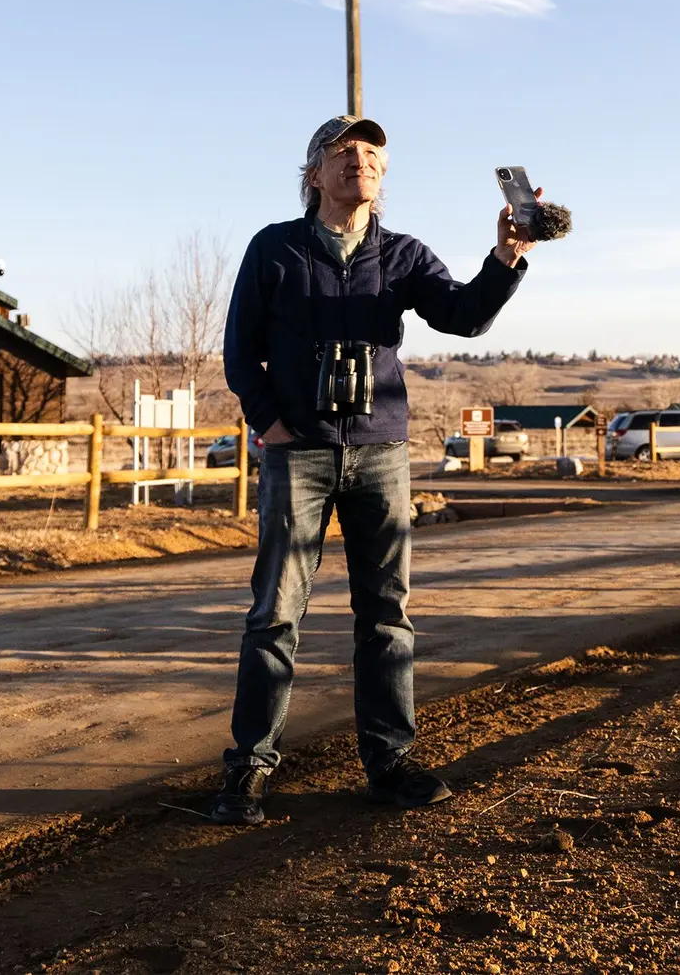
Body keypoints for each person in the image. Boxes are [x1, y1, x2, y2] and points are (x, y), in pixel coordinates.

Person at [211, 114, 535, 825]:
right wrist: (270, 426)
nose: (360, 162)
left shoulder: (403, 256)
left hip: (381, 452)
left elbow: (463, 317)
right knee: (275, 614)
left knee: (387, 614)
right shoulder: (275, 250)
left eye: (372, 157)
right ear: (315, 175)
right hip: (297, 452)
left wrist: (506, 257)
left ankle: (389, 763)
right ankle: (249, 769)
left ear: (382, 179)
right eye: (344, 153)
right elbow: (241, 352)